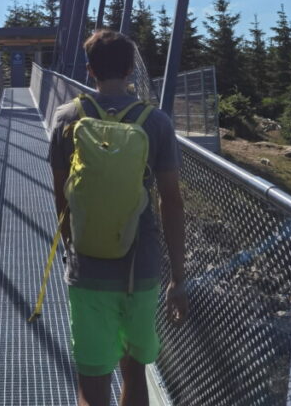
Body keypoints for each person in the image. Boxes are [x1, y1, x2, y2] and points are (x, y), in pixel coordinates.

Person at [49, 29, 188, 406]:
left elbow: (62, 197)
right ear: (130, 70)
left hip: (88, 268)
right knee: (134, 370)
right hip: (139, 271)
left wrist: (73, 247)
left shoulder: (66, 118)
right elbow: (171, 202)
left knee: (92, 381)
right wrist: (178, 275)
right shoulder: (156, 122)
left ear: (90, 70)